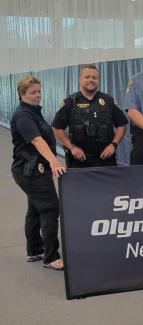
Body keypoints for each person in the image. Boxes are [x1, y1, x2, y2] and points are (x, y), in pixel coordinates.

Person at [10, 76, 66, 271]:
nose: (37, 95)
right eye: (32, 92)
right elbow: (36, 141)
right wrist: (53, 160)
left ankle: (34, 249)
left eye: (39, 91)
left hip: (32, 169)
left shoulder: (33, 112)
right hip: (30, 171)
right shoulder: (23, 116)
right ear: (22, 94)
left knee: (36, 207)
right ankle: (51, 257)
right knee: (50, 207)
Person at [52, 64, 128, 168]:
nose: (91, 80)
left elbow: (122, 125)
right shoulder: (70, 102)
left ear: (98, 80)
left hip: (105, 159)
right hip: (78, 160)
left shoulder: (108, 101)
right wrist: (72, 147)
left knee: (108, 185)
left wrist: (113, 145)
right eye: (87, 77)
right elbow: (56, 127)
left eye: (94, 77)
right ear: (80, 79)